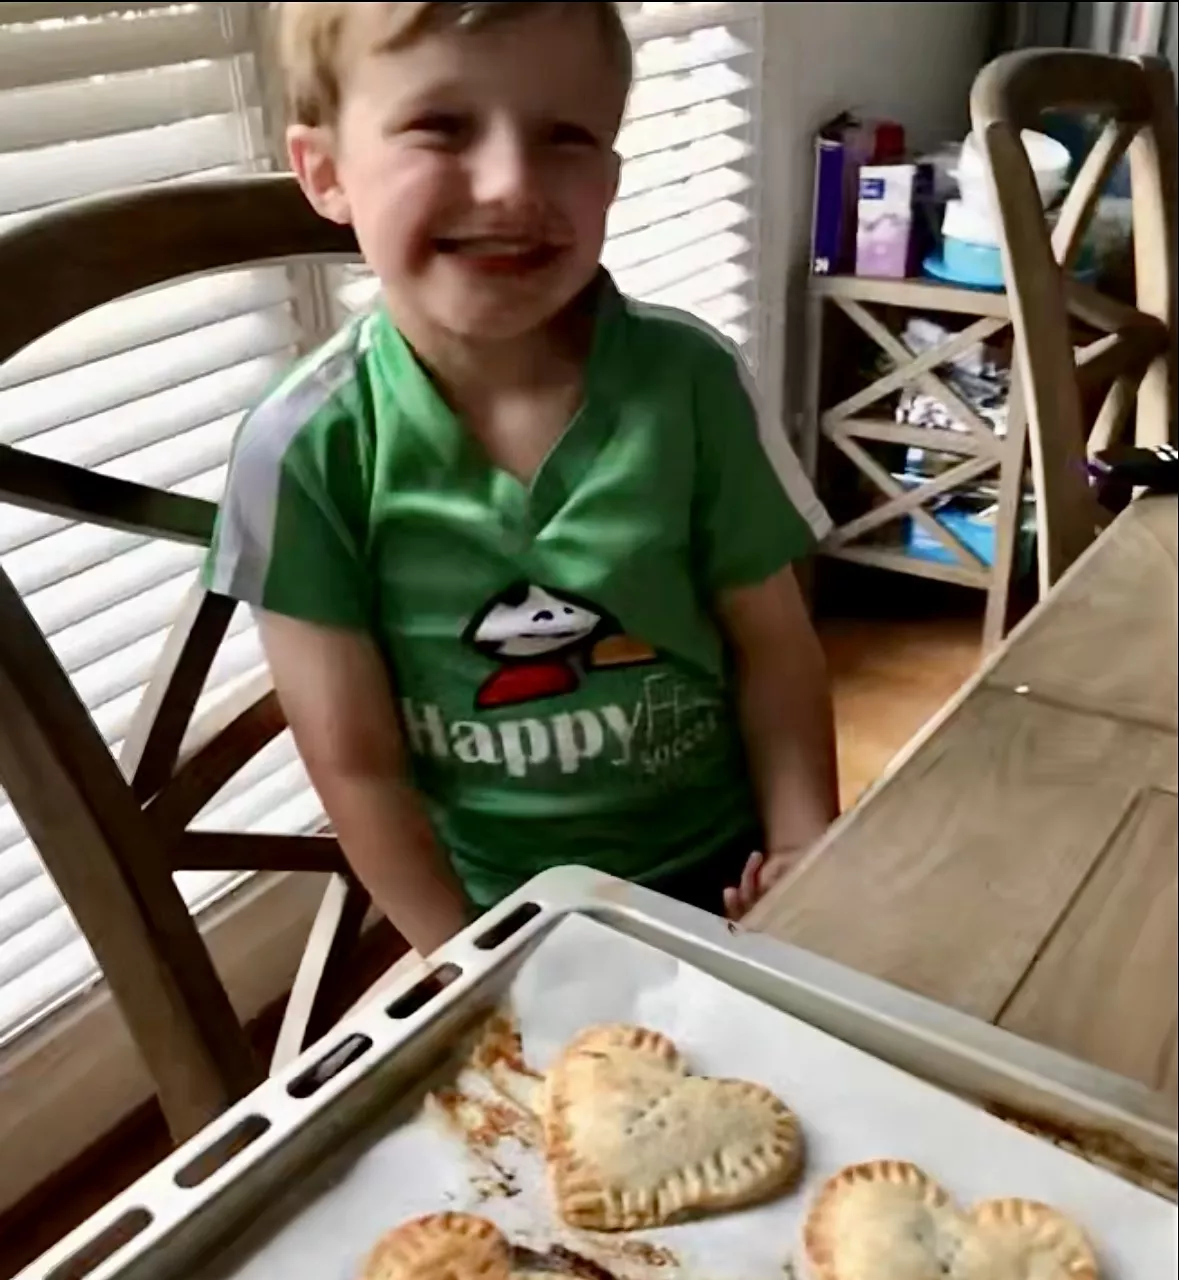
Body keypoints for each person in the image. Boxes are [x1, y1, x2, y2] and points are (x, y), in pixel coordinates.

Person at [204, 0, 838, 956]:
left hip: (732, 880)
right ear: (325, 171)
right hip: (506, 927)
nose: (508, 184)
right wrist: (460, 961)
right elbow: (357, 767)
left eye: (565, 136)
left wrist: (803, 850)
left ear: (610, 181)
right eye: (441, 127)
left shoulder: (689, 383)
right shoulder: (303, 452)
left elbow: (776, 655)